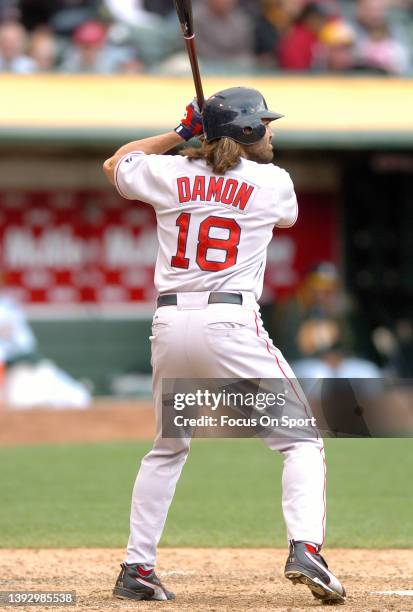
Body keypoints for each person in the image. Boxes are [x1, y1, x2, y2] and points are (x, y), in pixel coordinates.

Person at [103, 87, 346, 604]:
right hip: (230, 323)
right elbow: (278, 214)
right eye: (263, 124)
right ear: (248, 132)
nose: (271, 131)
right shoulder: (273, 183)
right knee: (301, 441)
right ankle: (306, 548)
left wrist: (180, 134)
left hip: (170, 326)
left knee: (168, 448)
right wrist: (203, 143)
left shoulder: (167, 174)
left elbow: (116, 164)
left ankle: (136, 568)